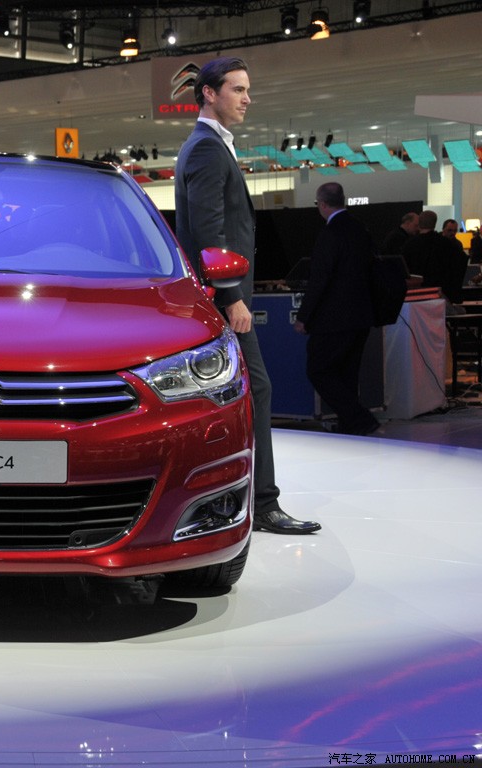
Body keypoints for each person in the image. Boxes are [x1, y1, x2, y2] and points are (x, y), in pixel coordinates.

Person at [174, 56, 320, 535]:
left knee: (231, 396)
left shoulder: (209, 146)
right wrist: (231, 295)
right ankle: (262, 502)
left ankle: (231, 500)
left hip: (218, 295)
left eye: (246, 89)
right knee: (255, 389)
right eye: (238, 89)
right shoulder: (206, 149)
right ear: (210, 93)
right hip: (222, 298)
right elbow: (208, 231)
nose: (247, 98)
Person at [293, 183, 380, 436]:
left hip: (333, 318)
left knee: (318, 369)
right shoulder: (361, 229)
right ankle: (350, 425)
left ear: (322, 204)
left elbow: (320, 279)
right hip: (361, 314)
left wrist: (303, 316)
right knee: (348, 372)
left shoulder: (329, 234)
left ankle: (359, 419)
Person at [402, 210, 470, 309]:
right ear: (435, 224)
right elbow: (461, 263)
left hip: (415, 296)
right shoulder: (447, 244)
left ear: (419, 224)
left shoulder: (409, 244)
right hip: (440, 294)